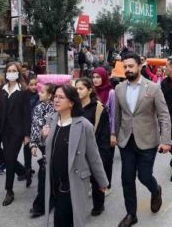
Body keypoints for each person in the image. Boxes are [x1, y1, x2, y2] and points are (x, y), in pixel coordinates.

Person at [114, 53, 172, 227]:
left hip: (147, 140)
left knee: (144, 176)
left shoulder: (153, 88)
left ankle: (156, 190)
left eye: (131, 66)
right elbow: (117, 115)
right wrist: (114, 135)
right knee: (127, 178)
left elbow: (163, 115)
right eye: (125, 67)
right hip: (126, 141)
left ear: (140, 66)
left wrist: (166, 140)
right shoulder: (119, 88)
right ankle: (131, 214)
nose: (128, 69)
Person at [43, 85, 109, 227]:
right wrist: (44, 136)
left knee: (64, 218)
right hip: (53, 180)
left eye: (61, 97)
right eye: (55, 97)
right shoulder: (52, 120)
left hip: (73, 181)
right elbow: (49, 148)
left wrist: (102, 181)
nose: (56, 100)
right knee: (59, 218)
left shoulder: (84, 125)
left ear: (71, 102)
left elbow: (94, 156)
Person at [0, 62, 32, 206]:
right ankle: (24, 172)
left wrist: (27, 134)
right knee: (8, 157)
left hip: (17, 131)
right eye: (9, 70)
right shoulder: (2, 89)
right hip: (5, 130)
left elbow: (27, 114)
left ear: (18, 73)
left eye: (14, 70)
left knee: (9, 159)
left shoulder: (23, 90)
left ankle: (9, 191)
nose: (11, 72)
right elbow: (0, 111)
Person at [76, 77, 111, 217]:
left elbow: (104, 134)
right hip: (77, 149)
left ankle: (99, 204)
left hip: (94, 149)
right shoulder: (73, 107)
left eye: (81, 88)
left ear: (89, 90)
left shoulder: (98, 108)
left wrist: (102, 155)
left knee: (96, 180)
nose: (77, 91)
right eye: (76, 89)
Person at [28, 83, 56, 218]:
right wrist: (33, 144)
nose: (39, 94)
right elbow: (34, 126)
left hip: (55, 146)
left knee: (45, 175)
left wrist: (49, 132)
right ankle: (43, 203)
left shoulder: (57, 108)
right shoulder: (38, 107)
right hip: (42, 145)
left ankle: (41, 204)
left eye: (43, 92)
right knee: (45, 174)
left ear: (50, 95)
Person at [92, 67, 115, 194]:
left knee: (106, 160)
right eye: (94, 77)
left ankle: (106, 185)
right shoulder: (91, 92)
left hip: (107, 133)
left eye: (98, 77)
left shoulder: (111, 93)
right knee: (93, 159)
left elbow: (114, 115)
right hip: (93, 132)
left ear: (104, 77)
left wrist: (113, 134)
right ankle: (95, 184)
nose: (95, 80)